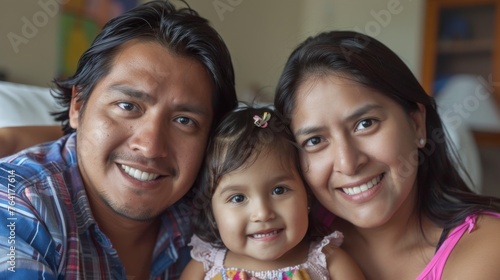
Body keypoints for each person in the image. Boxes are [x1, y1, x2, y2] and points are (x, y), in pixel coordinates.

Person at [0, 0, 237, 279]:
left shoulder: (219, 207)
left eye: (184, 121)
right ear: (77, 105)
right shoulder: (17, 204)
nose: (150, 147)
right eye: (128, 106)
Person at [274, 30, 500, 279]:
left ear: (416, 125)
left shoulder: (486, 247)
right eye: (315, 140)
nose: (348, 163)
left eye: (365, 124)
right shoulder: (279, 240)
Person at [180, 106, 365, 279]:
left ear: (307, 195)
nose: (262, 213)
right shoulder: (206, 264)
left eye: (279, 190)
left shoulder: (329, 261)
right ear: (212, 212)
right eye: (238, 198)